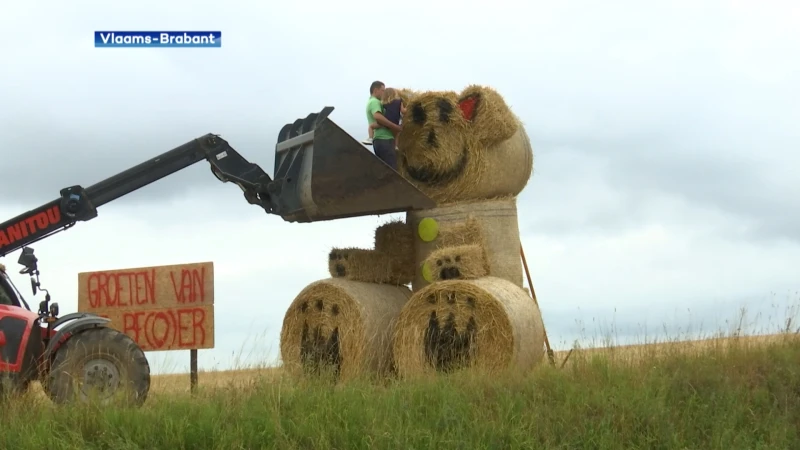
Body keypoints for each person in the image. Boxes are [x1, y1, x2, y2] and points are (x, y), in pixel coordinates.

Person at [365, 81, 402, 169]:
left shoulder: (374, 102)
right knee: (392, 170)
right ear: (375, 90)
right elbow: (378, 116)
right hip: (384, 139)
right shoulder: (375, 102)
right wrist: (395, 126)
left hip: (381, 140)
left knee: (385, 169)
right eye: (382, 90)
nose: (384, 93)